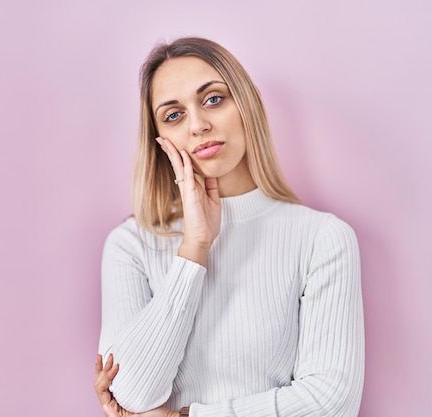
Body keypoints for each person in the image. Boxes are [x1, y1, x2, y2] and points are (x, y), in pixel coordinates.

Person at [94, 37, 364, 417]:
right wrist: (195, 246)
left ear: (246, 105)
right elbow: (129, 395)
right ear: (159, 141)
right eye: (173, 115)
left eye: (213, 99)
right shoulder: (131, 245)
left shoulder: (321, 239)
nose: (199, 126)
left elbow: (330, 402)